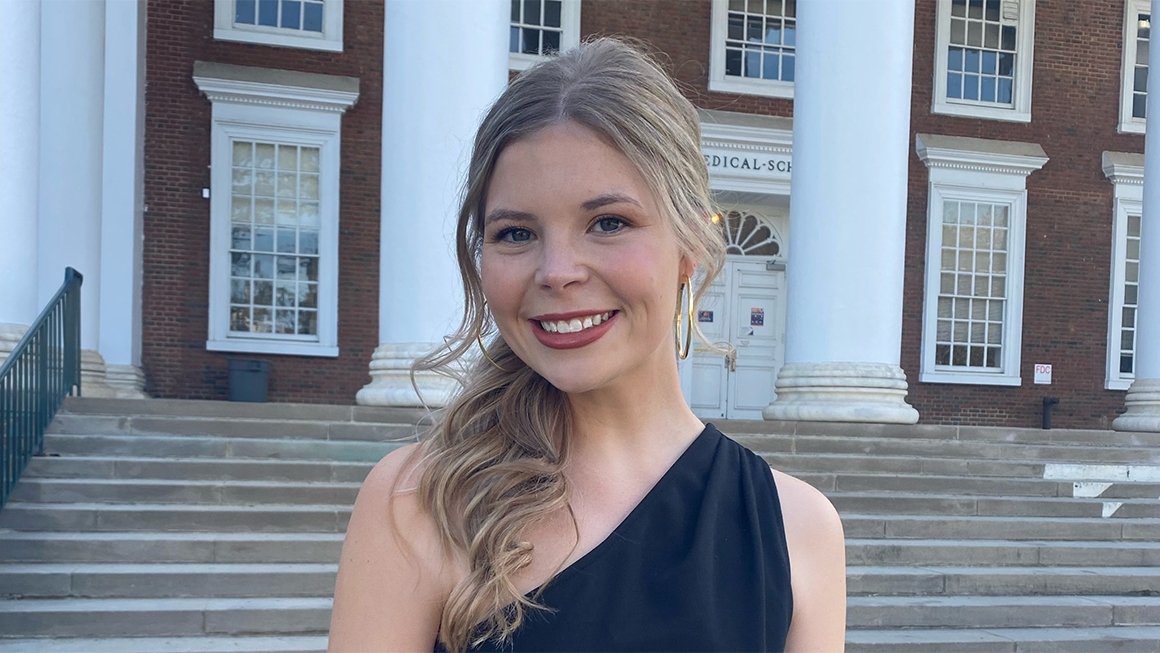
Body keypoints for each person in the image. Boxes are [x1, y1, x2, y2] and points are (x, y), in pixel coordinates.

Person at [328, 37, 846, 653]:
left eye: (608, 223)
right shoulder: (421, 502)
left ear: (688, 249)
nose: (557, 271)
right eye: (516, 232)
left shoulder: (797, 529)